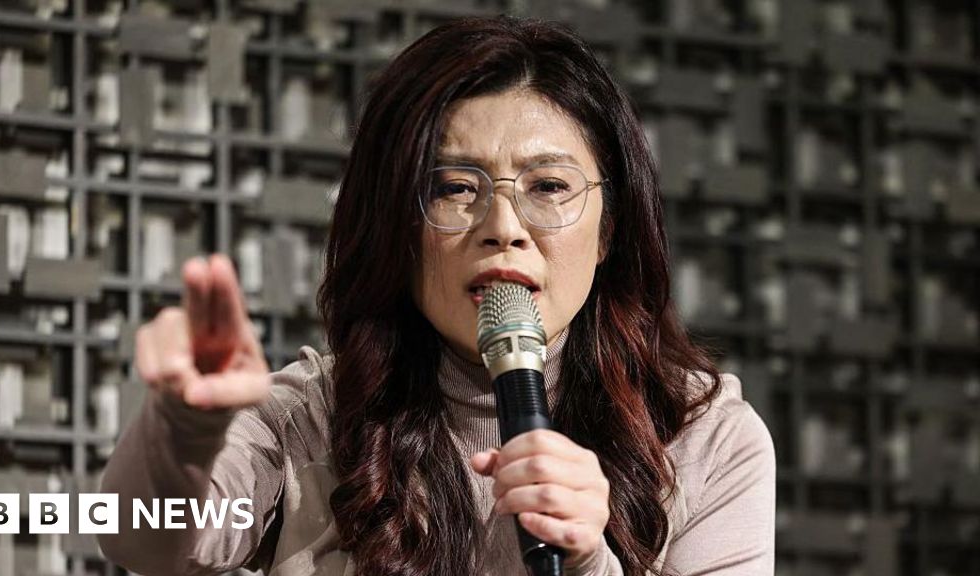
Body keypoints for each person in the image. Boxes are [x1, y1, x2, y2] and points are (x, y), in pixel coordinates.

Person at [97, 14, 775, 576]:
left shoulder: (704, 440)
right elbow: (137, 537)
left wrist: (587, 562)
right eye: (454, 188)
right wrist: (183, 427)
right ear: (396, 224)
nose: (503, 228)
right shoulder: (308, 417)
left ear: (608, 231)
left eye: (548, 187)